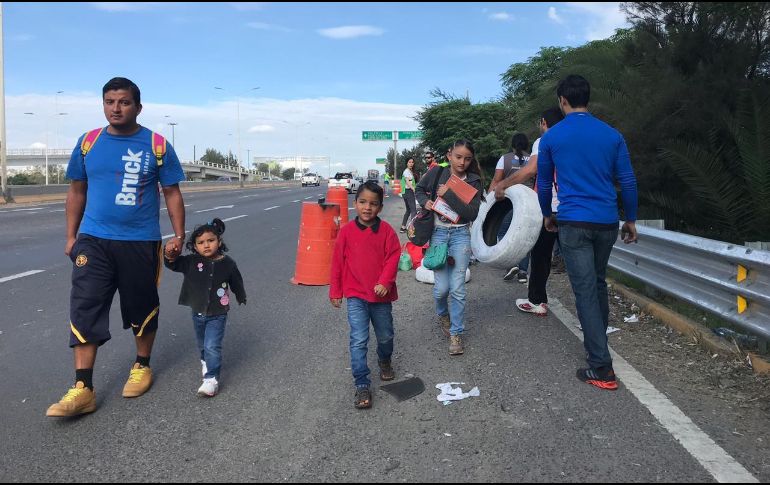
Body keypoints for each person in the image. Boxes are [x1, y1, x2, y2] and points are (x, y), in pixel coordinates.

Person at [47, 77, 186, 417]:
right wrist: (71, 236)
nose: (116, 108)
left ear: (138, 107)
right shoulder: (88, 143)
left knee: (141, 305)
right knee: (85, 305)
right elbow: (76, 190)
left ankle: (142, 364)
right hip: (93, 241)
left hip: (140, 241)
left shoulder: (156, 145)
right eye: (110, 101)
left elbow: (172, 193)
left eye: (123, 102)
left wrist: (178, 236)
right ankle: (83, 388)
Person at [537, 74, 638, 391]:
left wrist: (546, 214)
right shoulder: (612, 135)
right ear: (587, 99)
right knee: (596, 283)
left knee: (585, 292)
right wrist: (630, 220)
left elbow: (543, 183)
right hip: (607, 223)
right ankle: (599, 349)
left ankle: (601, 367)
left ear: (562, 101)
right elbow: (629, 181)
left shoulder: (553, 138)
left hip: (574, 223)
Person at [330, 181, 401, 409]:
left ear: (380, 207)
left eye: (373, 204)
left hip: (381, 298)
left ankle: (384, 359)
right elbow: (337, 264)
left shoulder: (387, 232)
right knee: (359, 340)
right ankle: (362, 383)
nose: (367, 208)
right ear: (355, 204)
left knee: (386, 336)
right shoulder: (346, 233)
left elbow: (393, 256)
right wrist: (336, 291)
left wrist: (385, 281)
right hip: (356, 296)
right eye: (362, 202)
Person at [492, 107, 565, 316]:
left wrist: (503, 185)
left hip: (548, 209)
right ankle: (590, 315)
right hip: (574, 208)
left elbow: (531, 170)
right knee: (578, 261)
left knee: (541, 255)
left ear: (543, 123)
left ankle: (537, 301)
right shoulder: (576, 138)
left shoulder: (543, 141)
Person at [164, 218, 246, 397]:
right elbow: (172, 264)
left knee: (212, 345)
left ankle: (211, 380)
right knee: (202, 343)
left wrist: (241, 296)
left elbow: (236, 282)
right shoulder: (191, 262)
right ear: (194, 246)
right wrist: (170, 254)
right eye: (201, 243)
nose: (206, 245)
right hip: (197, 311)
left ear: (219, 241)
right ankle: (205, 361)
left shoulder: (228, 263)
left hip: (218, 313)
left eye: (211, 240)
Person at [415, 140, 483, 356]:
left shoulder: (474, 180)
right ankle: (443, 314)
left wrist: (449, 194)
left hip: (461, 235)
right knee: (441, 289)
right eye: (458, 157)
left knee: (458, 289)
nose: (462, 162)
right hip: (438, 235)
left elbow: (471, 213)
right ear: (449, 155)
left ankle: (456, 334)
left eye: (467, 158)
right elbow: (419, 190)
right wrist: (426, 201)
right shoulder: (437, 174)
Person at [489, 133, 531, 283]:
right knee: (524, 236)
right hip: (529, 203)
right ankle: (523, 271)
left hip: (508, 203)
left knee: (504, 232)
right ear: (526, 145)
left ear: (512, 145)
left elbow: (496, 180)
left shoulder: (504, 159)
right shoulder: (533, 158)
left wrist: (487, 202)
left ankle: (511, 264)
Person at [399, 158, 417, 233]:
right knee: (414, 210)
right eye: (409, 162)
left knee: (409, 210)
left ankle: (403, 227)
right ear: (407, 163)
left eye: (412, 162)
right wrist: (414, 189)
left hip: (406, 192)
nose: (411, 163)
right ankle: (411, 229)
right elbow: (408, 182)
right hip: (408, 192)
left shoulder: (410, 171)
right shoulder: (406, 171)